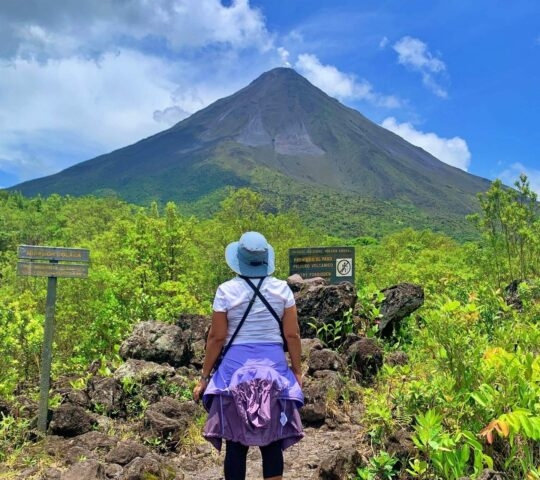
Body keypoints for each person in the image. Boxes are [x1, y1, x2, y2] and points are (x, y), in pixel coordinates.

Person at [193, 231, 304, 480]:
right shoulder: (281, 290)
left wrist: (205, 376)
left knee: (236, 443)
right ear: (265, 259)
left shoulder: (226, 291)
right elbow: (293, 335)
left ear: (238, 260)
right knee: (272, 442)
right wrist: (297, 370)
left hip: (234, 373)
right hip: (274, 372)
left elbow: (217, 338)